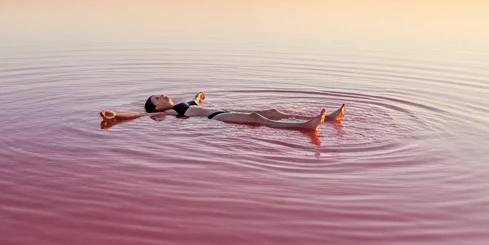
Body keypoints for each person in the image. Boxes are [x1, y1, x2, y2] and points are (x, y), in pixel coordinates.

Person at [139, 92, 343, 131]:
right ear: (157, 108)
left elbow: (197, 101)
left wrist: (200, 96)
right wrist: (115, 115)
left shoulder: (183, 103)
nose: (162, 95)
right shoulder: (171, 112)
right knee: (256, 118)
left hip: (224, 109)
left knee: (272, 111)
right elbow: (142, 115)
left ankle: (327, 118)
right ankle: (305, 126)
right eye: (157, 98)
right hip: (216, 116)